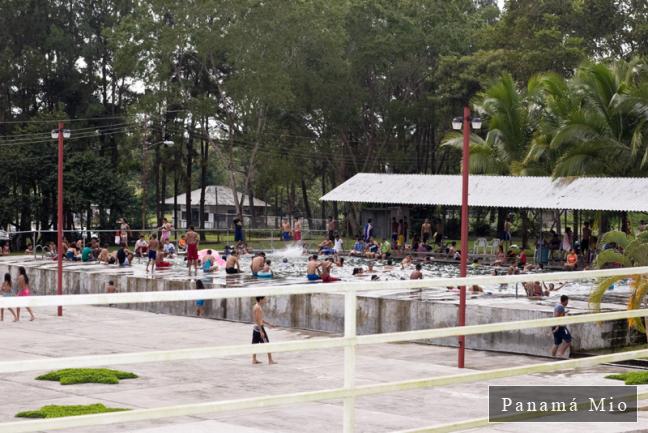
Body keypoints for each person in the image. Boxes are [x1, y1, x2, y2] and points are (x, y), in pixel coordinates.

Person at [252, 296, 276, 365]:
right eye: (264, 299)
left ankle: (254, 360)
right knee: (267, 344)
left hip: (256, 328)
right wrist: (261, 331)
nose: (264, 300)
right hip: (259, 328)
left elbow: (260, 319)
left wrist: (268, 324)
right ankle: (270, 360)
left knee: (255, 344)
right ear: (260, 299)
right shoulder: (257, 307)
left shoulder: (256, 306)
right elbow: (257, 320)